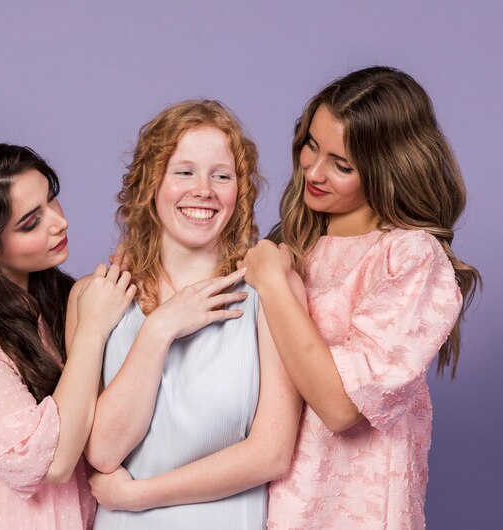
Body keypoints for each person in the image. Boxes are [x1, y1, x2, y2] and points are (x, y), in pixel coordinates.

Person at [240, 66, 481, 529]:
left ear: (387, 168)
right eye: (311, 144)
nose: (313, 170)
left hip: (351, 511)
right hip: (263, 502)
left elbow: (341, 407)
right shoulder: (292, 245)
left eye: (342, 164)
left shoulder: (410, 258)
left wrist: (271, 283)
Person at [66, 100, 304, 529]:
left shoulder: (269, 290)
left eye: (222, 175)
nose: (204, 190)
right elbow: (103, 451)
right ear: (149, 184)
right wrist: (160, 328)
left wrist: (139, 495)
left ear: (240, 191)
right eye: (184, 171)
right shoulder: (96, 297)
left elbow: (271, 453)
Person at [0, 141, 136, 529]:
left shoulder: (57, 299)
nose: (58, 222)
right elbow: (48, 463)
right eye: (31, 222)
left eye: (52, 201)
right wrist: (92, 330)